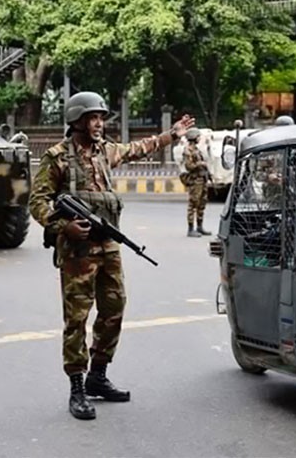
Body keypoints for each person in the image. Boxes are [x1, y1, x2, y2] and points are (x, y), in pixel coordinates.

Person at [29, 91, 194, 421]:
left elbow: (137, 149)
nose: (99, 123)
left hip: (108, 247)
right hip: (77, 251)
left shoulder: (105, 152)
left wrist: (171, 135)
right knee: (77, 318)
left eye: (101, 118)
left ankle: (98, 376)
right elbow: (37, 202)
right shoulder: (57, 157)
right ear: (77, 121)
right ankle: (77, 387)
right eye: (93, 118)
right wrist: (64, 226)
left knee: (114, 308)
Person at [182, 129, 211, 237]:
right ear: (194, 137)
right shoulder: (187, 150)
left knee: (202, 203)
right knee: (193, 204)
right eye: (198, 136)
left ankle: (200, 226)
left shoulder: (197, 149)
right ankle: (190, 229)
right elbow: (188, 166)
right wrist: (200, 164)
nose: (199, 138)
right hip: (195, 181)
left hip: (202, 179)